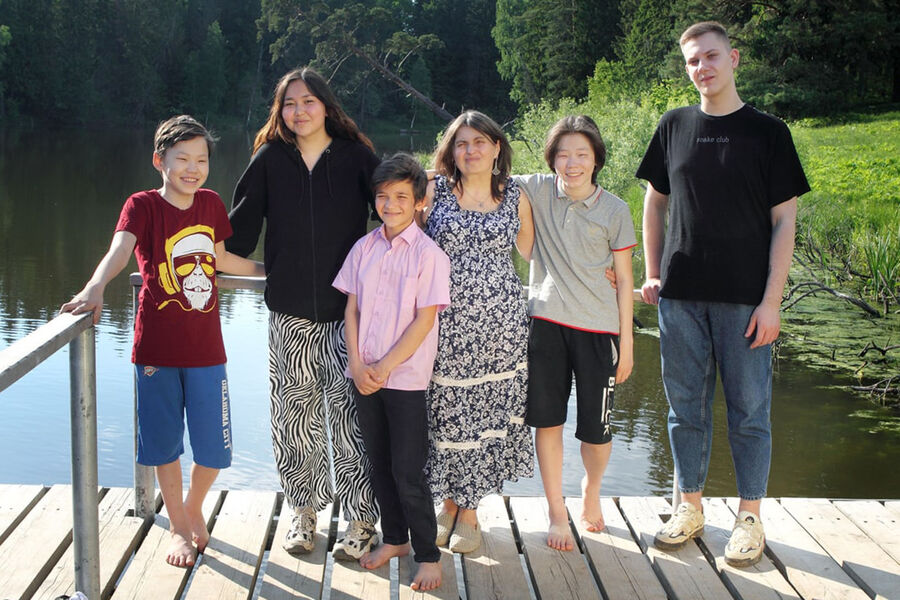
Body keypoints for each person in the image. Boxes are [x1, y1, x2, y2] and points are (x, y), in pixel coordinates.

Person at [636, 21, 809, 567]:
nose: (702, 68)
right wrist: (653, 272)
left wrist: (772, 301)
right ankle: (689, 507)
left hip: (745, 302)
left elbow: (785, 221)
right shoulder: (673, 125)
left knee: (749, 413)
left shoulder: (768, 132)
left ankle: (749, 517)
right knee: (684, 410)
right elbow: (654, 202)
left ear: (732, 59)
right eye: (692, 60)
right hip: (680, 298)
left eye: (711, 56)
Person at [60, 115, 264, 567]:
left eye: (201, 160)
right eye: (182, 159)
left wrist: (273, 272)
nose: (193, 168)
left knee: (215, 450)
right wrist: (95, 287)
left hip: (207, 351)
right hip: (155, 350)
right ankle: (177, 528)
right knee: (164, 444)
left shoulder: (210, 204)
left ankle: (191, 510)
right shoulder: (143, 205)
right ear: (160, 161)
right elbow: (119, 250)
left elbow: (221, 257)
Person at [226, 68, 381, 559]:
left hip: (349, 317)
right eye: (290, 103)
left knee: (351, 419)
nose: (299, 111)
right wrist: (269, 271)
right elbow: (232, 239)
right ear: (280, 110)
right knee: (295, 420)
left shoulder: (357, 157)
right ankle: (303, 514)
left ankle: (361, 520)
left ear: (327, 106)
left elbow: (397, 216)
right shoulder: (270, 160)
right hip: (290, 318)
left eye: (309, 101)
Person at [513, 115, 635, 551]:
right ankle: (556, 511)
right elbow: (482, 170)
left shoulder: (615, 210)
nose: (572, 163)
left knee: (595, 431)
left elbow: (624, 279)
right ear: (551, 159)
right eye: (563, 154)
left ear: (596, 159)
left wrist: (627, 345)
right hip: (546, 325)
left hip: (599, 330)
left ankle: (591, 489)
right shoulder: (537, 189)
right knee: (548, 422)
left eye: (582, 154)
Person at [333, 153, 451, 591]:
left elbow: (424, 320)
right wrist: (357, 363)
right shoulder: (363, 248)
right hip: (363, 375)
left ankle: (428, 555)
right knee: (378, 463)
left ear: (420, 201)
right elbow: (351, 308)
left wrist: (384, 366)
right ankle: (396, 539)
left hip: (404, 380)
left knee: (408, 471)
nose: (391, 204)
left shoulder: (429, 255)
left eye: (402, 196)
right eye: (383, 196)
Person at [421, 110, 534, 554]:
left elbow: (536, 253)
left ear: (496, 147)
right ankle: (447, 503)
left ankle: (468, 510)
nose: (471, 151)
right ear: (451, 151)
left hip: (502, 329)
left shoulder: (515, 195)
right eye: (462, 143)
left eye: (480, 142)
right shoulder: (433, 191)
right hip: (443, 325)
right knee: (448, 414)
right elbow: (404, 240)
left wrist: (603, 270)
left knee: (486, 416)